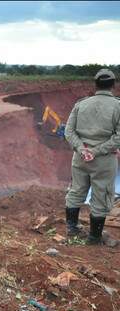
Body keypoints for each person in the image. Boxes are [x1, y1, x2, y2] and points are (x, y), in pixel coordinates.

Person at [64, 68, 120, 246]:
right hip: (103, 160)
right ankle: (94, 238)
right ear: (113, 85)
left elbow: (68, 131)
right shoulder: (118, 106)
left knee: (76, 190)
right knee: (101, 195)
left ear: (95, 84)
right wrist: (96, 151)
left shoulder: (81, 104)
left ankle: (72, 229)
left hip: (80, 158)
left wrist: (82, 149)